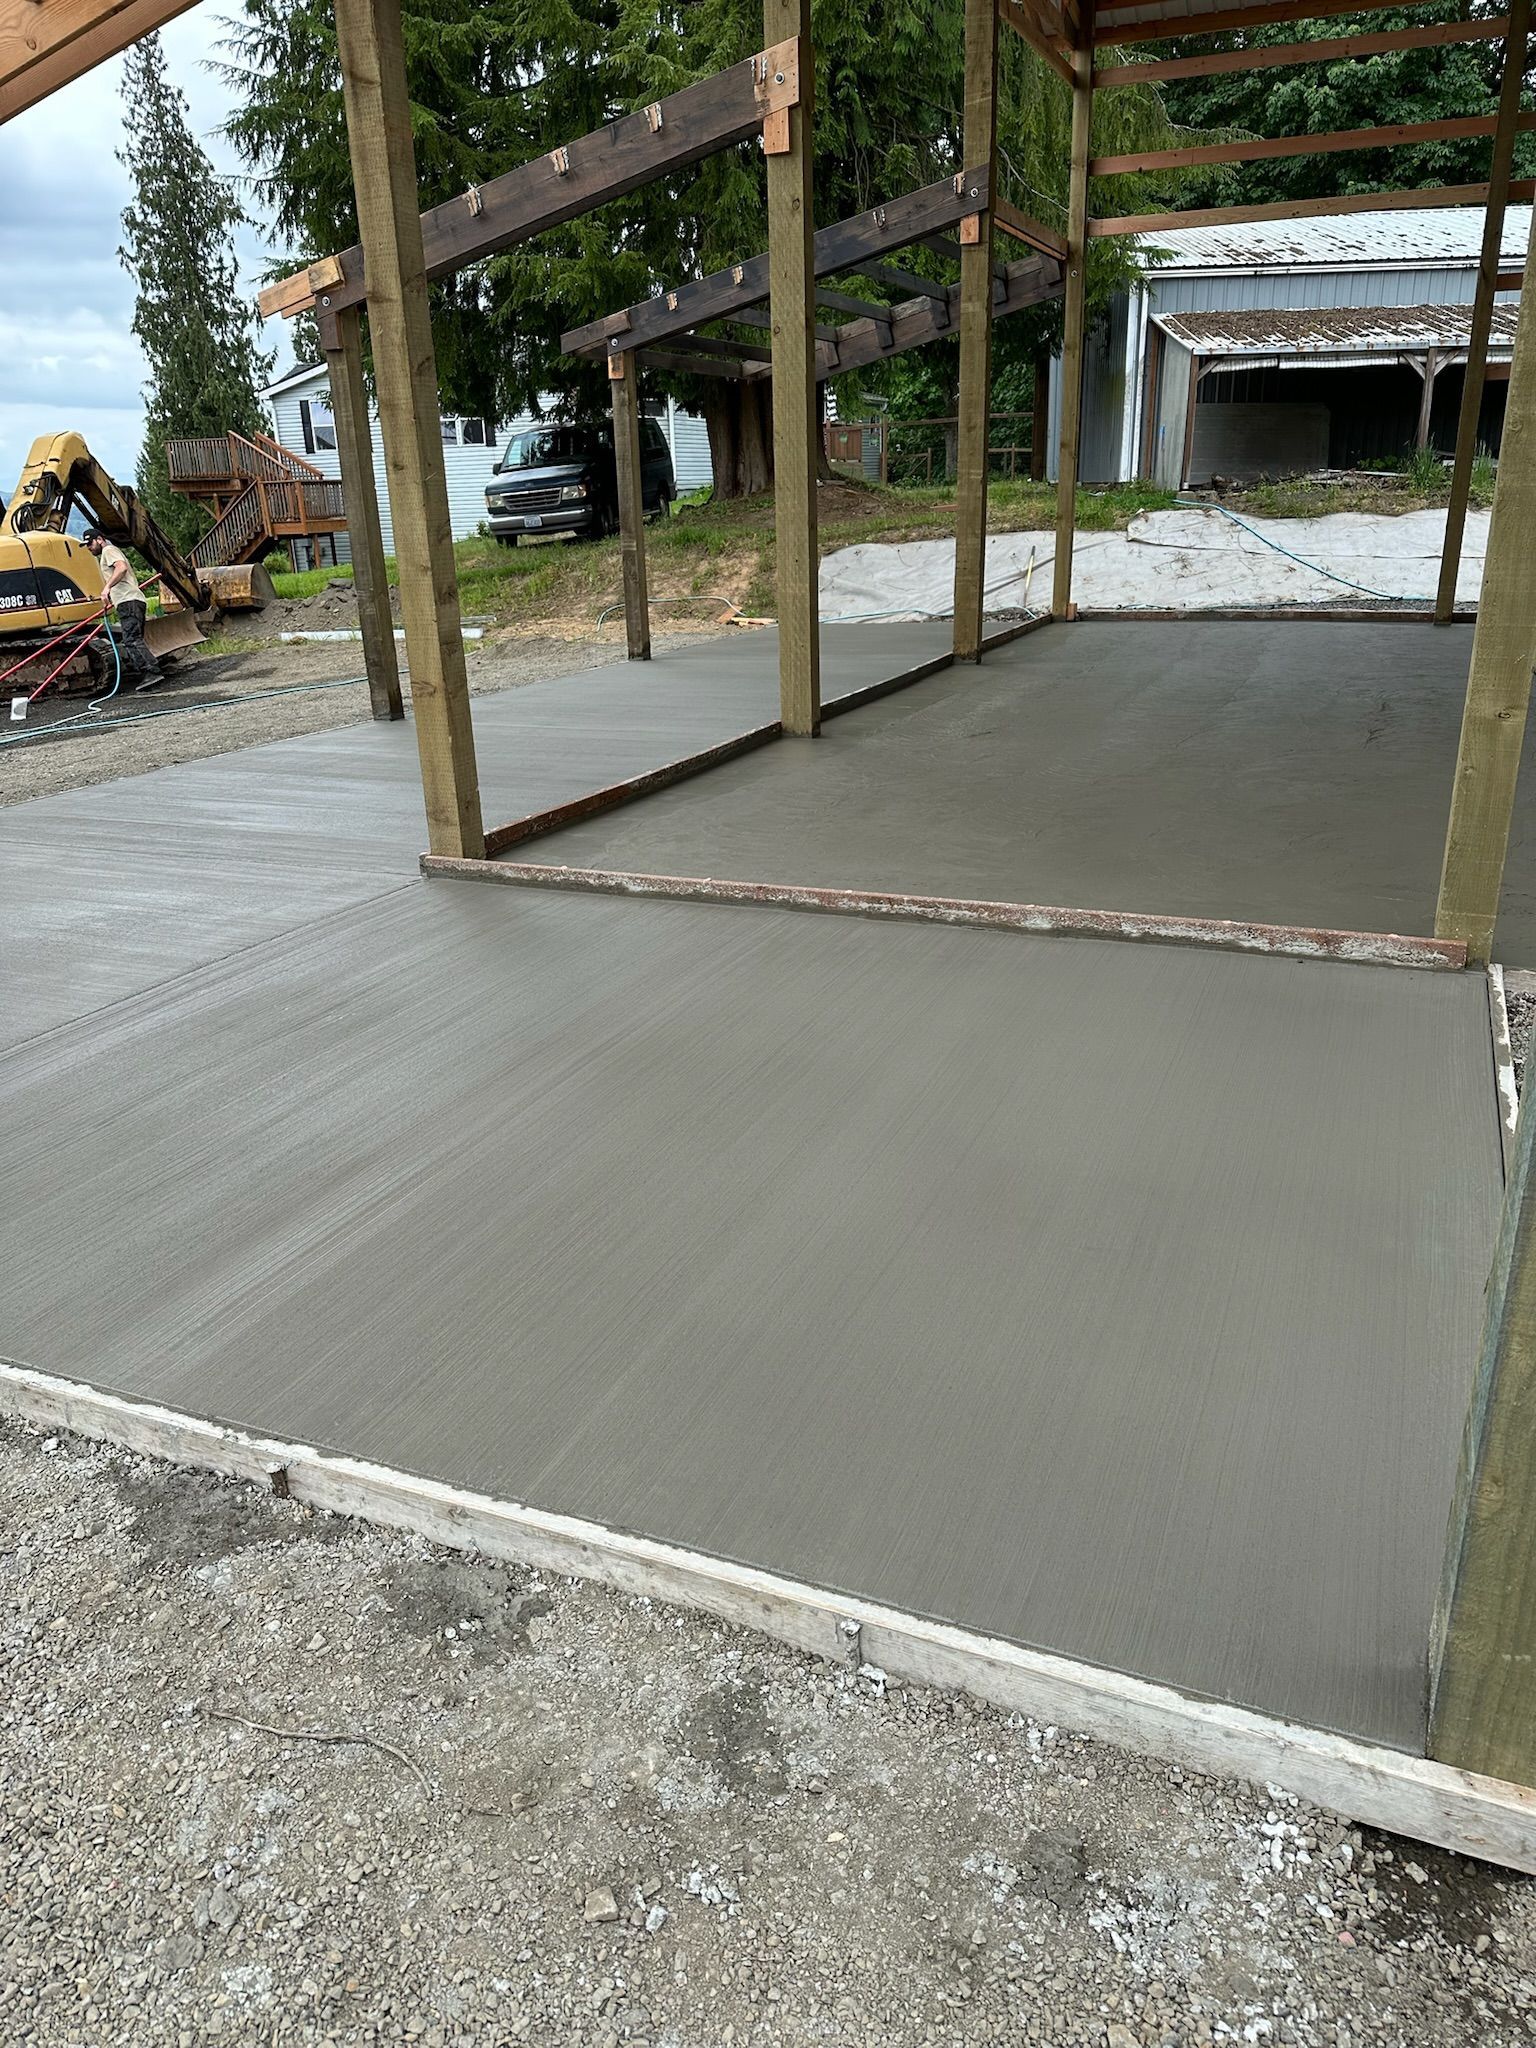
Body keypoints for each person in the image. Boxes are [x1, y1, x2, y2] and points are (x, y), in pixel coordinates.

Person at [82, 530, 162, 692]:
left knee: (131, 639)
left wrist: (107, 587)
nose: (89, 548)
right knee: (135, 638)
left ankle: (151, 672)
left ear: (100, 539)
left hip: (128, 601)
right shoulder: (108, 553)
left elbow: (121, 568)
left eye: (90, 543)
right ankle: (151, 670)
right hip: (133, 600)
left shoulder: (108, 550)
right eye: (86, 546)